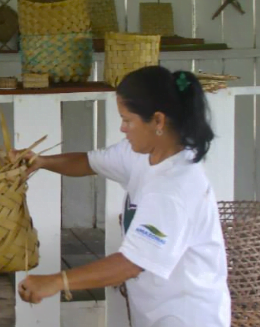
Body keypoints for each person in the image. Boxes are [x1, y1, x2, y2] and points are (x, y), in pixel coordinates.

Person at [17, 66, 231, 327]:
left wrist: (56, 282)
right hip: (158, 311)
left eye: (128, 120)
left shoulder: (173, 188)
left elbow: (131, 264)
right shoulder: (143, 153)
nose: (122, 128)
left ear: (158, 121)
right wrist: (41, 161)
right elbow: (88, 162)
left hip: (187, 316)